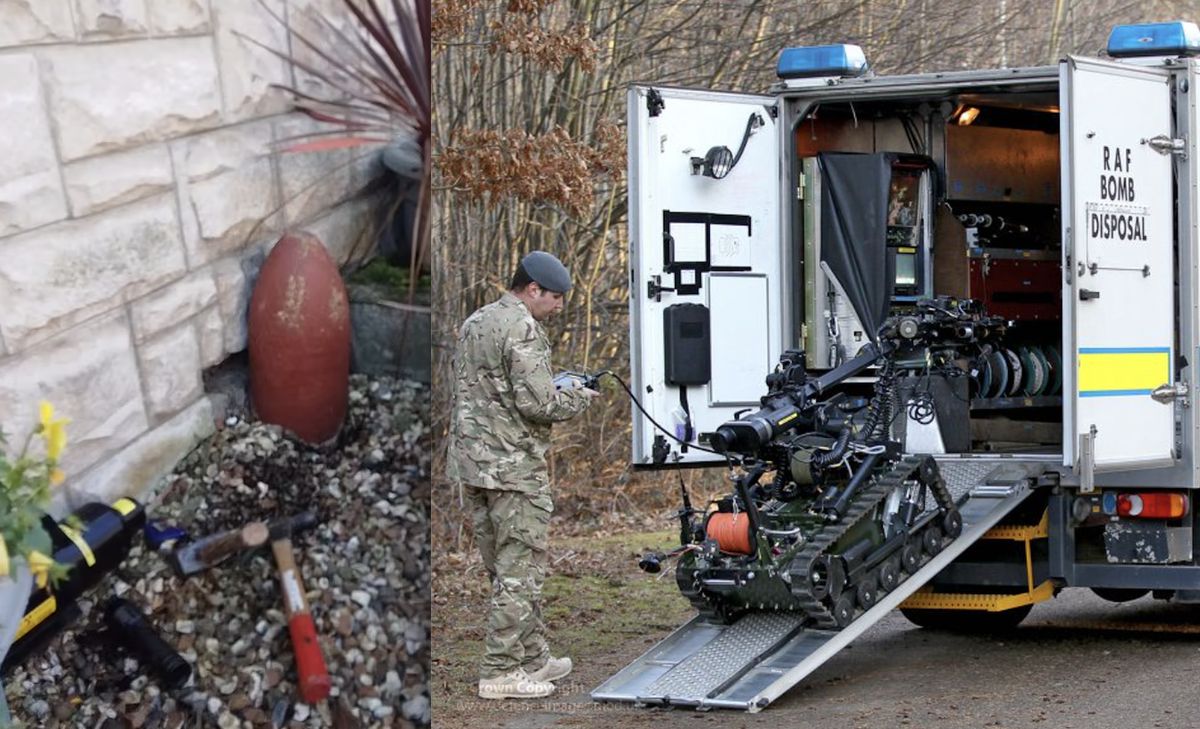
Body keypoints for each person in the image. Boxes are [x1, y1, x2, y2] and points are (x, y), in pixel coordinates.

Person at [447, 250, 598, 700]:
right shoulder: (522, 327)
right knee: (521, 569)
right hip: (513, 469)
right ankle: (500, 670)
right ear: (532, 290)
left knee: (507, 568)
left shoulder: (477, 320)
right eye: (555, 298)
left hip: (475, 465)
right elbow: (539, 404)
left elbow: (488, 391)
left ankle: (532, 656)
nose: (558, 307)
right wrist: (579, 395)